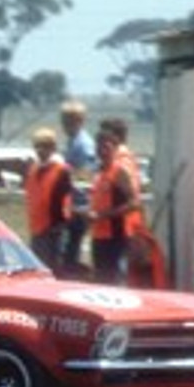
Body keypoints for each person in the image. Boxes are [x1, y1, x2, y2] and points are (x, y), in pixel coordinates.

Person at [86, 130, 140, 285]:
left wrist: (103, 215)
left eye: (106, 147)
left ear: (114, 149)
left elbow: (134, 203)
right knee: (100, 279)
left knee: (114, 279)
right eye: (99, 147)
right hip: (99, 235)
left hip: (115, 235)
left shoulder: (119, 172)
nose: (102, 151)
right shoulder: (99, 172)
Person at [23, 127, 74, 272]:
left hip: (53, 229)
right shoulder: (34, 169)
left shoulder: (62, 170)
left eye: (44, 146)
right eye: (37, 146)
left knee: (53, 268)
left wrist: (59, 225)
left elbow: (66, 200)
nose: (40, 150)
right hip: (36, 228)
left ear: (53, 147)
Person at [59, 100, 97, 275]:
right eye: (64, 119)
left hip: (79, 208)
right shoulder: (72, 142)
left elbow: (84, 178)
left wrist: (80, 207)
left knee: (73, 255)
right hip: (72, 205)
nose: (65, 123)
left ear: (80, 120)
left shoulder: (83, 145)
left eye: (70, 119)